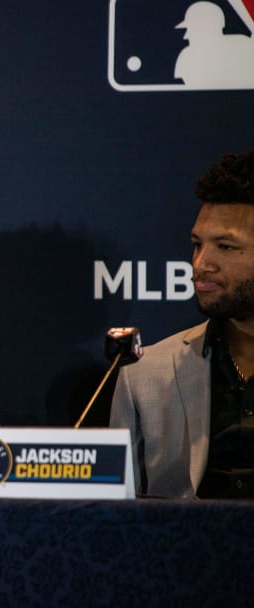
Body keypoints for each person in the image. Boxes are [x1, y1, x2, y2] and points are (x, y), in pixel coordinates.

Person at [111, 150, 254, 498]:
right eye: (197, 245)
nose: (201, 264)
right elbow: (110, 520)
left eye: (225, 246)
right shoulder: (144, 374)